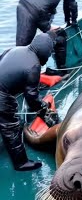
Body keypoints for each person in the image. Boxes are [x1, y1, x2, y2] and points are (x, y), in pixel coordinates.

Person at [0, 33, 55, 171]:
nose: (48, 58)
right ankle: (21, 163)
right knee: (10, 128)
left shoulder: (16, 49)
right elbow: (31, 98)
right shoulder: (34, 65)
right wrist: (42, 108)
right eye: (48, 55)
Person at [16, 0, 78, 72]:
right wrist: (73, 21)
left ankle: (26, 73)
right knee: (60, 36)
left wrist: (68, 20)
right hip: (36, 13)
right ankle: (62, 69)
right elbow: (71, 6)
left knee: (22, 48)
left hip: (23, 7)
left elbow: (66, 5)